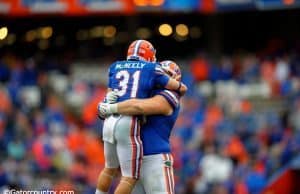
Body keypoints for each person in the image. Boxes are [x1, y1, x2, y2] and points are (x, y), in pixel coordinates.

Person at [96, 40, 187, 194]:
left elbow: (138, 106)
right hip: (134, 155)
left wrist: (110, 107)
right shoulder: (144, 88)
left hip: (155, 158)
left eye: (167, 76)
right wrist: (103, 106)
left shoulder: (170, 95)